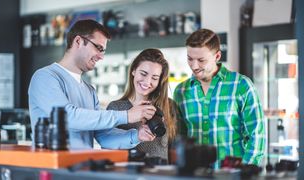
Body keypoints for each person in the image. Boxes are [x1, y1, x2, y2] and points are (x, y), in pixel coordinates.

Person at [28, 19, 157, 150]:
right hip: (53, 168)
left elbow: (103, 135)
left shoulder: (89, 90)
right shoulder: (45, 77)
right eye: (98, 48)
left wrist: (137, 136)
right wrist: (127, 115)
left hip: (82, 167)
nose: (101, 56)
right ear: (78, 41)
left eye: (103, 51)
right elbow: (68, 117)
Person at [173, 29, 265, 168]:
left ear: (217, 56)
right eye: (190, 59)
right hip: (195, 175)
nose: (194, 66)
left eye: (201, 60)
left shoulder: (241, 86)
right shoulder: (181, 91)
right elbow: (180, 138)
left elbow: (256, 137)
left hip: (232, 175)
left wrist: (243, 172)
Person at [107, 49, 176, 162]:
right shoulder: (116, 108)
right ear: (134, 70)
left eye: (154, 78)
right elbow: (108, 149)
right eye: (143, 74)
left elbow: (173, 151)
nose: (147, 81)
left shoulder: (168, 106)